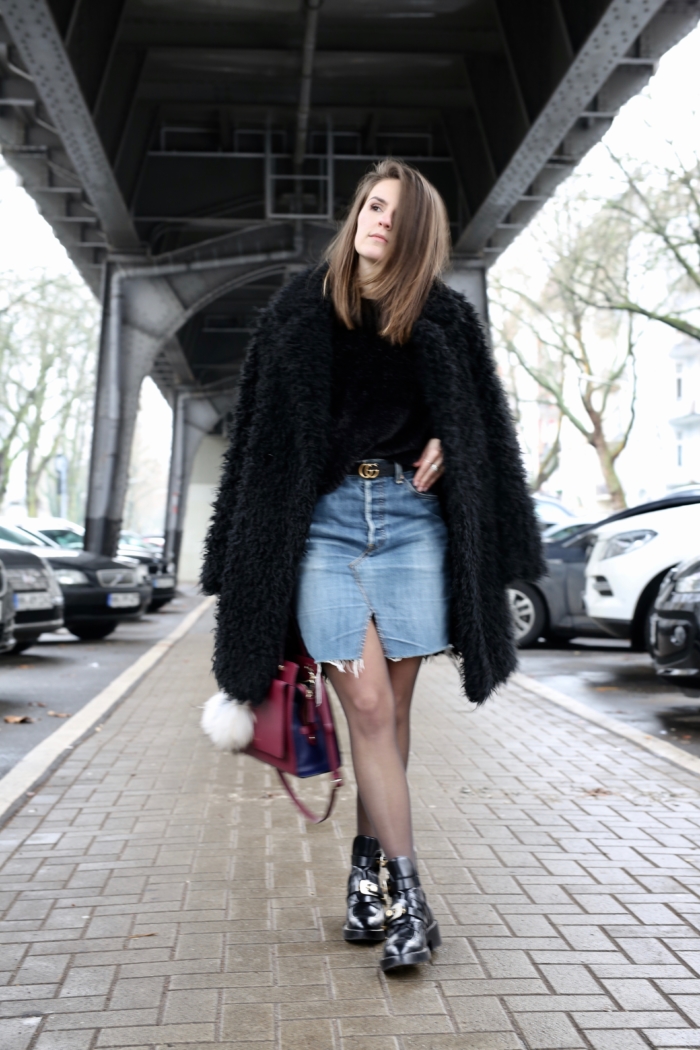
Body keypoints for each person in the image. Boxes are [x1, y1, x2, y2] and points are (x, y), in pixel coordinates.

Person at [200, 158, 544, 972]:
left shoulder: (446, 317)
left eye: (394, 212)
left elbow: (483, 428)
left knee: (388, 717)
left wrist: (445, 446)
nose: (377, 221)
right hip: (322, 529)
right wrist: (240, 558)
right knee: (368, 708)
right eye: (371, 205)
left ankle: (366, 877)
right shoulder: (297, 311)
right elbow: (255, 440)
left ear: (416, 231)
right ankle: (413, 903)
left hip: (411, 524)